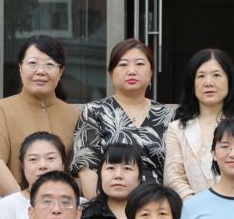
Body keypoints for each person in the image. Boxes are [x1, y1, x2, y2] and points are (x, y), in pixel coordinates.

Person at [73, 39, 173, 195]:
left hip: (156, 201)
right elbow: (86, 169)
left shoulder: (167, 115)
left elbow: (175, 170)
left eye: (140, 64)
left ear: (151, 72)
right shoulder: (95, 111)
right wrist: (100, 207)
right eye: (123, 64)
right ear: (111, 73)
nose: (132, 71)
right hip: (108, 200)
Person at [0, 35, 79, 194]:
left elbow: (78, 171)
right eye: (32, 63)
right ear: (20, 68)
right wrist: (24, 203)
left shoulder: (73, 115)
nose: (40, 71)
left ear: (61, 71)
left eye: (49, 65)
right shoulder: (0, 111)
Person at [165, 48, 234, 199]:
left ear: (229, 80)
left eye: (216, 75)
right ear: (192, 83)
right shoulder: (177, 129)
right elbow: (174, 179)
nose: (208, 83)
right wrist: (199, 207)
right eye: (201, 76)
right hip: (192, 210)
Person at [77, 142, 145, 219]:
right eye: (110, 168)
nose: (118, 175)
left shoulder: (151, 216)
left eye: (127, 168)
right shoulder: (85, 218)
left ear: (140, 177)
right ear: (100, 175)